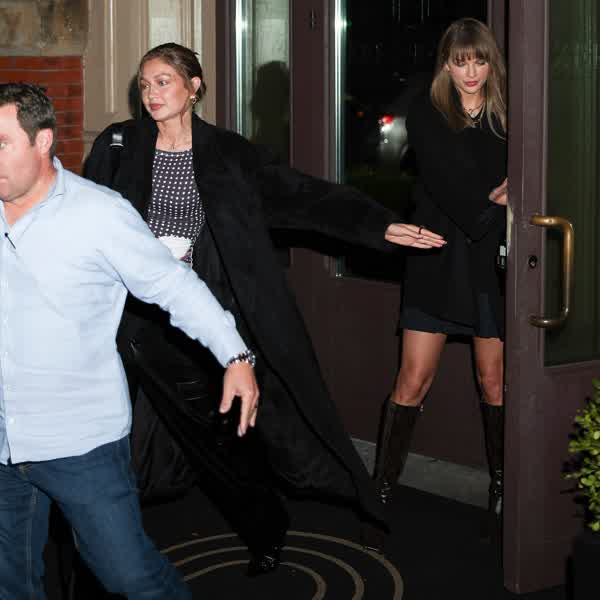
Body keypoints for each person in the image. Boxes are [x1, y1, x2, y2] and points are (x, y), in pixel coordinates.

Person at [82, 41, 446, 581]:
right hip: (136, 314)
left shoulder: (228, 154)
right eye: (144, 84)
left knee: (223, 433)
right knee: (118, 427)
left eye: (163, 82)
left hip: (209, 314)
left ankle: (264, 523)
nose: (151, 93)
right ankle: (105, 542)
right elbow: (86, 215)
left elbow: (304, 195)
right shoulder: (120, 146)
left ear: (193, 87)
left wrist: (378, 224)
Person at [0, 82, 261, 599]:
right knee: (11, 582)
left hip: (80, 442)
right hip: (5, 441)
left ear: (43, 141)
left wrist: (235, 355)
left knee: (128, 576)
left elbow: (174, 285)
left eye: (1, 143)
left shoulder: (98, 213)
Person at [373, 18, 508, 533]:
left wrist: (514, 186)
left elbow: (526, 174)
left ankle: (502, 488)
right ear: (446, 65)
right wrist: (498, 197)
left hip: (488, 262)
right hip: (437, 256)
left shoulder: (508, 115)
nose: (470, 72)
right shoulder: (427, 112)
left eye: (479, 61)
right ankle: (381, 489)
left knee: (494, 381)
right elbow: (449, 182)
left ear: (491, 62)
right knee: (413, 379)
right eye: (460, 61)